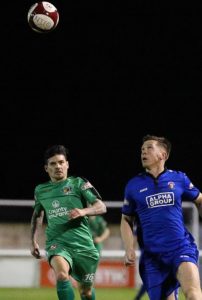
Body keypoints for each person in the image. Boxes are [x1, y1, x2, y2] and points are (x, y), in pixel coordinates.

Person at [120, 134, 202, 300]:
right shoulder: (133, 185)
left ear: (163, 155)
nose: (144, 151)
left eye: (149, 148)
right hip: (153, 257)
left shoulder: (179, 178)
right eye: (142, 149)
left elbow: (199, 200)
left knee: (193, 294)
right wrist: (129, 247)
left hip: (180, 247)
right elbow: (126, 219)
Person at [30, 144, 107, 300]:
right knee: (62, 276)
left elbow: (101, 206)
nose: (58, 166)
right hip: (57, 242)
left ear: (67, 164)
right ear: (46, 168)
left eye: (61, 162)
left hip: (83, 245)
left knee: (86, 292)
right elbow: (37, 215)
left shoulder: (78, 183)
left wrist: (83, 211)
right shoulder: (40, 190)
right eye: (53, 163)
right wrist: (33, 241)